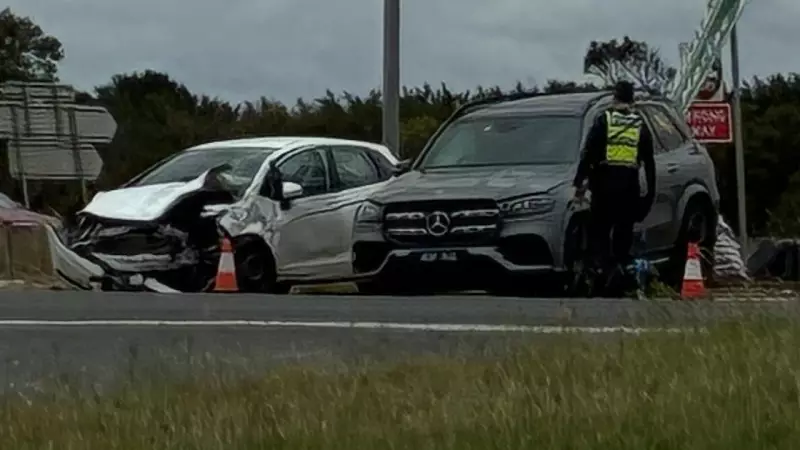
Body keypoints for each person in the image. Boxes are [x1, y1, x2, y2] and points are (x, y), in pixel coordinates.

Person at [572, 81, 656, 278]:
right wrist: (650, 193)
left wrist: (579, 182)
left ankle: (601, 271)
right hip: (629, 185)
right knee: (623, 230)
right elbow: (649, 161)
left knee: (600, 230)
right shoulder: (639, 123)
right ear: (632, 99)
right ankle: (620, 271)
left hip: (604, 184)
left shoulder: (604, 119)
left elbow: (589, 152)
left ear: (614, 97)